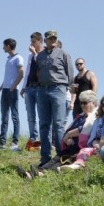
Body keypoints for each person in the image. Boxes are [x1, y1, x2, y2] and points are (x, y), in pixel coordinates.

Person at [36, 30, 75, 168]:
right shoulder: (39, 56)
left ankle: (61, 155)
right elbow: (37, 73)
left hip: (58, 89)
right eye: (50, 38)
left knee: (58, 123)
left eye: (54, 38)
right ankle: (45, 157)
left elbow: (70, 73)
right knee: (44, 124)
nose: (52, 40)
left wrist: (68, 88)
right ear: (45, 40)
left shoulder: (63, 53)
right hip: (42, 89)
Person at [61, 94, 104, 171]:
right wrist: (95, 143)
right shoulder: (98, 120)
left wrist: (102, 144)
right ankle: (77, 165)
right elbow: (94, 137)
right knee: (84, 151)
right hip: (96, 145)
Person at [0, 38, 25, 150]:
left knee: (14, 116)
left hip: (12, 90)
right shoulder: (8, 59)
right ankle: (2, 142)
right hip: (5, 90)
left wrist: (13, 87)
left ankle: (15, 142)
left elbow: (21, 74)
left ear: (8, 46)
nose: (3, 48)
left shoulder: (18, 58)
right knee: (4, 117)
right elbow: (7, 78)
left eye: (4, 46)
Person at [20, 32, 44, 149]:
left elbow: (41, 64)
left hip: (40, 87)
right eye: (31, 41)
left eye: (34, 41)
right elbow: (28, 71)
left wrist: (35, 53)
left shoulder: (44, 53)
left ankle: (43, 139)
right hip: (30, 87)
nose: (32, 44)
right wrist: (24, 87)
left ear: (40, 41)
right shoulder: (30, 56)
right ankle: (33, 138)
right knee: (30, 115)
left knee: (42, 114)